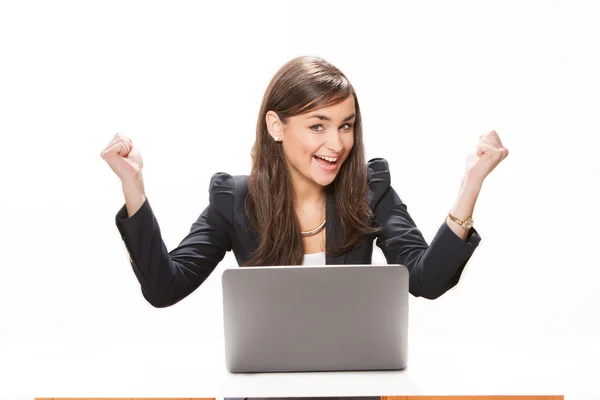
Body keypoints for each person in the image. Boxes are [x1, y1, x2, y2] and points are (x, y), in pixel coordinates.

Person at [100, 56, 508, 308]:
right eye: (318, 126)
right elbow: (164, 287)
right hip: (263, 388)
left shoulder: (369, 190)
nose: (337, 143)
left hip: (352, 386)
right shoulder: (234, 200)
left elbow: (427, 279)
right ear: (276, 126)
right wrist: (133, 187)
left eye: (346, 126)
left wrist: (471, 183)